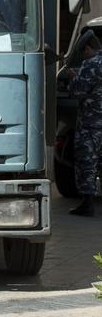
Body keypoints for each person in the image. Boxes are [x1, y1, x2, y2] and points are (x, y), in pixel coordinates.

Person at [67, 30, 102, 217]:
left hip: (91, 125)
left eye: (83, 52)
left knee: (87, 163)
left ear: (88, 48)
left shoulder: (90, 65)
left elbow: (79, 91)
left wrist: (73, 78)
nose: (83, 56)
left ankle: (87, 204)